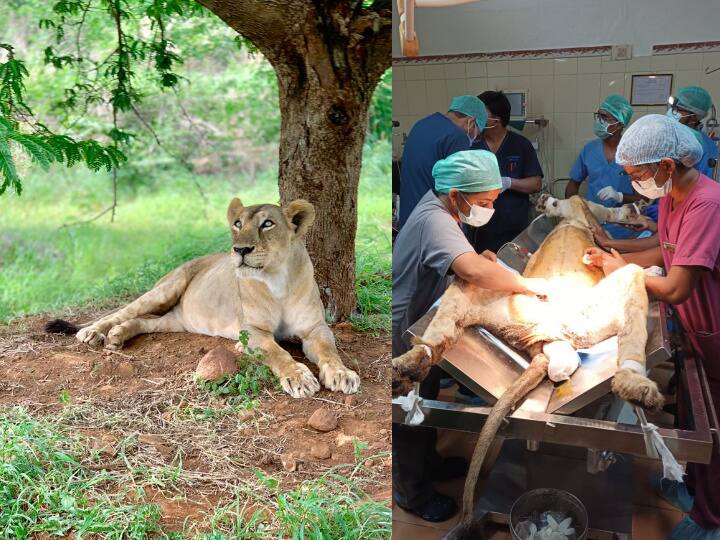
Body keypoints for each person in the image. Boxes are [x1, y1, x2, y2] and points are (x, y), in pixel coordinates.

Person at [392, 150, 551, 522]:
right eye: (483, 202)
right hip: (403, 331)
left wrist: (480, 259)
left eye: (493, 200)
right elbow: (470, 271)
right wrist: (526, 286)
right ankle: (411, 494)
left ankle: (428, 463)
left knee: (425, 402)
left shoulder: (444, 210)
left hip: (423, 322)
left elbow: (456, 262)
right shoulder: (436, 219)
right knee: (408, 415)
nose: (488, 208)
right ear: (455, 194)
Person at [584, 114, 720, 540]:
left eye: (637, 173)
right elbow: (661, 248)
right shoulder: (674, 197)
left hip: (715, 330)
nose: (633, 181)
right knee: (689, 413)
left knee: (712, 429)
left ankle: (710, 518)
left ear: (665, 164)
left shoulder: (707, 203)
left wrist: (620, 273)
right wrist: (613, 251)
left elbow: (677, 286)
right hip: (694, 328)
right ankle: (693, 488)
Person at [467, 90, 544, 253]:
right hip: (481, 230)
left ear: (498, 118)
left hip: (515, 230)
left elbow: (536, 183)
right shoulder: (473, 145)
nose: (476, 118)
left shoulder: (520, 144)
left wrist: (509, 183)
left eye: (482, 114)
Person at [397, 95, 488, 228]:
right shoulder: (457, 137)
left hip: (409, 217)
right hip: (433, 224)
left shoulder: (421, 124)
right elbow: (458, 193)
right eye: (477, 133)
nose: (473, 138)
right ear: (471, 122)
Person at [566, 95, 643, 239]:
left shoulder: (634, 154)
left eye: (605, 118)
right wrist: (574, 212)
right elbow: (573, 184)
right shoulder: (589, 150)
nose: (599, 121)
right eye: (598, 116)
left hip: (625, 228)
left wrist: (619, 196)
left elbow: (643, 199)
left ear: (620, 124)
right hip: (592, 227)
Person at [667, 85, 718, 178]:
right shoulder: (670, 135)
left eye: (679, 110)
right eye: (673, 108)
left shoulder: (704, 146)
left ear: (695, 117)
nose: (673, 112)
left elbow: (704, 181)